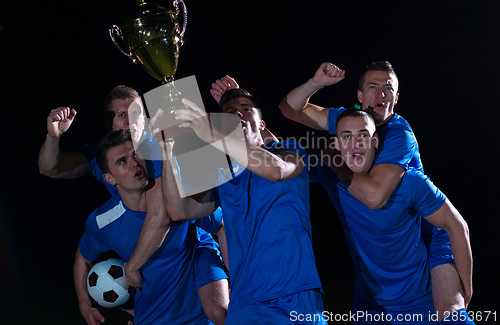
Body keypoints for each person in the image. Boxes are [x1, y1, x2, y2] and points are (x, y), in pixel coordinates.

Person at [278, 61, 473, 322]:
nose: (381, 94)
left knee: (451, 315)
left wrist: (466, 292)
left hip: (428, 238)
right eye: (373, 87)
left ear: (396, 98)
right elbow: (289, 109)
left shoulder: (398, 135)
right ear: (360, 97)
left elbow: (374, 196)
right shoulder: (352, 122)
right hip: (379, 264)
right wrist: (316, 83)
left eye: (388, 88)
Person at [39, 85, 229, 324]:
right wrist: (53, 137)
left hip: (191, 238)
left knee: (218, 311)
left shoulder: (155, 150)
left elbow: (161, 216)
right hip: (149, 247)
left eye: (137, 113)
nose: (130, 121)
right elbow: (50, 168)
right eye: (121, 115)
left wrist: (131, 267)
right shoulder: (104, 160)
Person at [160, 88, 327, 324]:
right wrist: (167, 149)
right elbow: (179, 210)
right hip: (243, 302)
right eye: (229, 112)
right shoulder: (223, 174)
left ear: (262, 124)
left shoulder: (288, 151)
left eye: (246, 109)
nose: (237, 114)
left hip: (292, 294)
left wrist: (213, 134)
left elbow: (276, 170)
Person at [317, 108, 473, 324]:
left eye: (363, 135)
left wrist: (467, 289)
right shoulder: (330, 173)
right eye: (346, 136)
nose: (356, 143)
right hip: (369, 305)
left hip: (417, 302)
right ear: (335, 146)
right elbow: (282, 163)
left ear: (375, 141)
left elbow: (457, 226)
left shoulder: (409, 182)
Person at [74, 130, 227, 325]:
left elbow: (221, 225)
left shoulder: (178, 201)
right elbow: (83, 258)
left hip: (199, 318)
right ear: (110, 179)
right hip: (151, 317)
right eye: (122, 161)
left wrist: (237, 281)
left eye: (136, 154)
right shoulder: (103, 221)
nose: (134, 163)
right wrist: (85, 305)